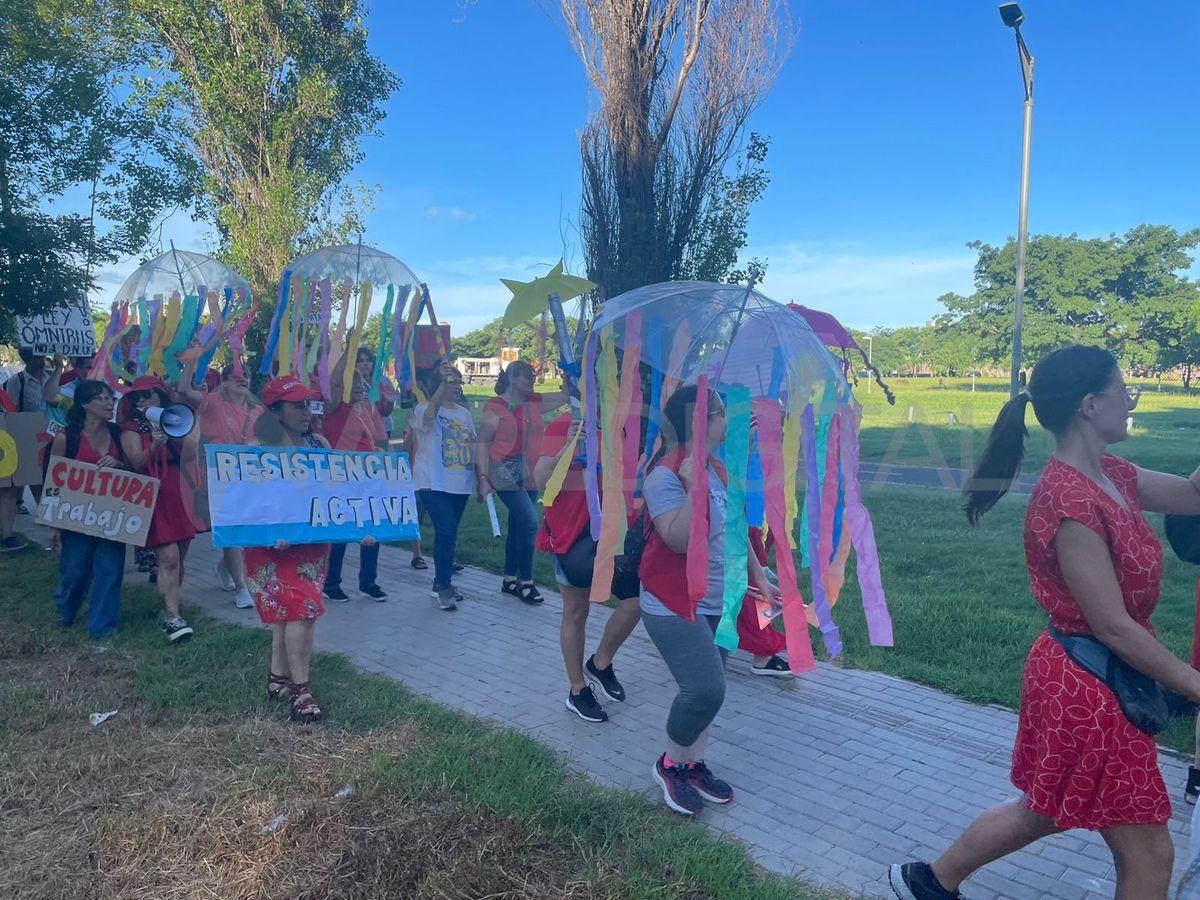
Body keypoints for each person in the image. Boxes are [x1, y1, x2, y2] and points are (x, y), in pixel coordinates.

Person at [889, 346, 1200, 900]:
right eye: (1124, 389)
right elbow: (1113, 627)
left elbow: (1194, 495)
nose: (1132, 399)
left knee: (1047, 809)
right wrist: (1195, 684)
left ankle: (930, 882)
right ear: (1089, 404)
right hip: (1093, 687)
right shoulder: (1069, 500)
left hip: (1094, 678)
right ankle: (931, 881)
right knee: (1148, 852)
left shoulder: (1115, 476)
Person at [638, 384, 778, 816]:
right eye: (720, 414)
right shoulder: (664, 475)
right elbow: (677, 540)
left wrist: (760, 577)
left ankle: (692, 763)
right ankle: (669, 764)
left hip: (717, 599)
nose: (727, 421)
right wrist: (693, 490)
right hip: (673, 600)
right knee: (703, 689)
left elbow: (736, 526)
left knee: (711, 694)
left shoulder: (716, 468)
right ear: (702, 422)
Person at [535, 408, 642, 722]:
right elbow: (540, 478)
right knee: (577, 611)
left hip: (612, 537)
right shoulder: (564, 424)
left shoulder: (617, 426)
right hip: (571, 536)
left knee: (636, 600)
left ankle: (601, 662)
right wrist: (568, 448)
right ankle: (577, 690)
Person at [245, 377, 338, 724]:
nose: (305, 411)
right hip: (270, 549)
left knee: (292, 613)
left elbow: (335, 493)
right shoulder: (255, 451)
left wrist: (362, 526)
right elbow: (244, 502)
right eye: (296, 405)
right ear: (275, 411)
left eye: (307, 404)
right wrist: (272, 530)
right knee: (302, 610)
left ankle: (277, 679)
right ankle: (301, 690)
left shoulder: (320, 443)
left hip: (311, 547)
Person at [475, 359, 568, 604]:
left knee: (518, 525)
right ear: (514, 378)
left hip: (528, 473)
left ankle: (509, 579)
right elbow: (482, 442)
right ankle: (526, 581)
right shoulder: (496, 406)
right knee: (529, 522)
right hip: (503, 473)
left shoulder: (534, 402)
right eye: (528, 376)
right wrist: (483, 477)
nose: (533, 380)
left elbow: (567, 396)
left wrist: (571, 371)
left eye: (533, 376)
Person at [119, 376, 200, 643]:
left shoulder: (176, 419)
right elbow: (137, 463)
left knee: (181, 556)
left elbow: (192, 453)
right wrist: (154, 444)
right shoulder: (131, 429)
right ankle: (172, 618)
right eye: (136, 397)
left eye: (147, 395)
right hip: (154, 493)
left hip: (179, 492)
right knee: (168, 558)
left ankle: (173, 603)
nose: (141, 401)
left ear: (160, 396)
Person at [178, 357, 261, 610]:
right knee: (229, 527)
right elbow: (183, 391)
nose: (242, 380)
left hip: (243, 477)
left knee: (241, 531)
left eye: (245, 376)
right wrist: (193, 357)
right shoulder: (211, 402)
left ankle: (224, 568)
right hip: (210, 474)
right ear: (223, 382)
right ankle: (241, 587)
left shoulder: (257, 410)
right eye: (235, 377)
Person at [46, 381, 127, 638]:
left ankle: (102, 629)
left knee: (109, 572)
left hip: (112, 517)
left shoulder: (117, 434)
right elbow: (54, 479)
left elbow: (133, 473)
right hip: (76, 518)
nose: (109, 403)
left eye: (110, 398)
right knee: (75, 571)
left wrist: (118, 463)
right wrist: (54, 524)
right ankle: (65, 611)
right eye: (102, 398)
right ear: (84, 405)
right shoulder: (66, 438)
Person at [321, 346, 388, 602]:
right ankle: (331, 581)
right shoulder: (335, 407)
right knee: (342, 528)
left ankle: (368, 581)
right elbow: (336, 382)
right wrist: (349, 348)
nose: (360, 388)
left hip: (368, 476)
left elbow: (379, 440)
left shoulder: (369, 409)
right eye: (355, 384)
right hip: (340, 475)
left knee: (372, 528)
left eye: (362, 385)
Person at [411, 361, 476, 610]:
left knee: (449, 534)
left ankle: (443, 580)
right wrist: (441, 385)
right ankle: (442, 585)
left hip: (459, 482)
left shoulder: (464, 413)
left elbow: (471, 444)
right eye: (452, 382)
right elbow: (429, 418)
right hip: (432, 482)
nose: (458, 386)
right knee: (447, 530)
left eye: (459, 382)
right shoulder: (423, 408)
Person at [0, 388, 26, 552]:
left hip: (6, 442)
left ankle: (7, 536)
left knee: (9, 489)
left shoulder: (2, 393)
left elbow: (12, 413)